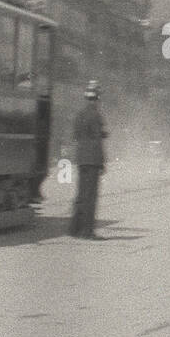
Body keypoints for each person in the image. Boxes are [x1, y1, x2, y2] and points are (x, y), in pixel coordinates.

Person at [70, 80, 108, 239]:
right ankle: (87, 231)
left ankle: (74, 229)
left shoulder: (80, 114)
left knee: (81, 194)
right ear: (97, 98)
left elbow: (77, 135)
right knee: (91, 196)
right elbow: (98, 140)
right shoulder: (96, 115)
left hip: (81, 158)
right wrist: (102, 162)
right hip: (93, 160)